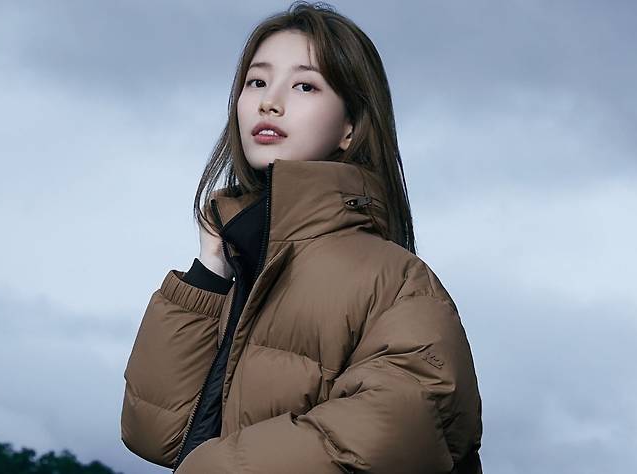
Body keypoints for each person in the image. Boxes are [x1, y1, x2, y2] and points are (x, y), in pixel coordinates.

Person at [120, 2, 483, 473]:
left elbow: (403, 426)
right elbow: (155, 434)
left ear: (350, 127)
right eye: (257, 82)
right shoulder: (237, 264)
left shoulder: (397, 281)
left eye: (305, 85)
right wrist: (208, 274)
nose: (269, 102)